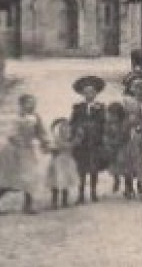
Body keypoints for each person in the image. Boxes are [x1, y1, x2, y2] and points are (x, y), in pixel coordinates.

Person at [0, 93, 48, 215]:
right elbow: (11, 135)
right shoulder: (18, 118)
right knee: (12, 179)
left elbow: (41, 132)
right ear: (22, 105)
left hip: (27, 150)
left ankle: (27, 205)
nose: (32, 105)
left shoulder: (36, 117)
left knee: (30, 177)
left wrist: (45, 143)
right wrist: (19, 142)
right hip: (14, 151)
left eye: (34, 102)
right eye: (29, 103)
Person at [70, 75, 107, 204]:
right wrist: (77, 131)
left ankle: (93, 192)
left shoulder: (101, 107)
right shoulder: (77, 107)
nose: (89, 95)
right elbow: (72, 123)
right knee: (81, 169)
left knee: (93, 168)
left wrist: (101, 136)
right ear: (82, 94)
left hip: (94, 141)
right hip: (82, 142)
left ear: (96, 93)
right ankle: (80, 194)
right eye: (86, 92)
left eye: (92, 92)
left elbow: (103, 123)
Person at [45, 117, 80, 210]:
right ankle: (54, 202)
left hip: (67, 163)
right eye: (63, 128)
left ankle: (64, 201)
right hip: (58, 164)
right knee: (56, 182)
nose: (66, 130)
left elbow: (71, 147)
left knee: (66, 182)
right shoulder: (57, 140)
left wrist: (75, 141)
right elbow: (59, 148)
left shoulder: (69, 140)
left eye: (67, 128)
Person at [103, 101, 131, 194]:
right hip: (112, 147)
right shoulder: (108, 123)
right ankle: (116, 180)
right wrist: (108, 141)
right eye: (110, 114)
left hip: (123, 147)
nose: (112, 116)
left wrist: (116, 141)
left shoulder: (124, 124)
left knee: (126, 167)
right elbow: (106, 134)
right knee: (114, 166)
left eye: (114, 115)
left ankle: (128, 186)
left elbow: (125, 136)